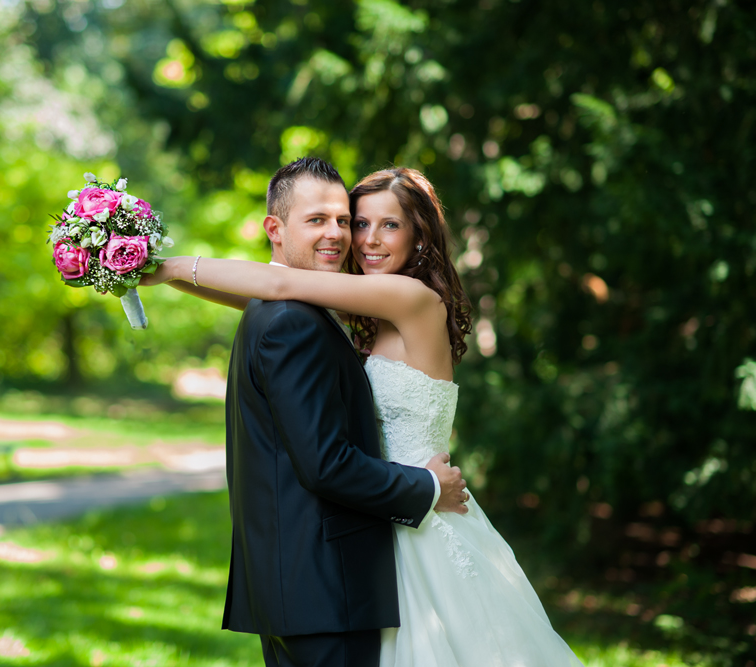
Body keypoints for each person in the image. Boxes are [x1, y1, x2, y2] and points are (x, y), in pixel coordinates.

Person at [143, 160, 585, 666]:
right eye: (360, 223)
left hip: (421, 516)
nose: (368, 239)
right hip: (380, 518)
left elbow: (282, 286)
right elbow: (266, 293)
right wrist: (165, 275)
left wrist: (170, 267)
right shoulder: (365, 310)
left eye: (390, 224)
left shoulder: (409, 297)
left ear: (419, 237)